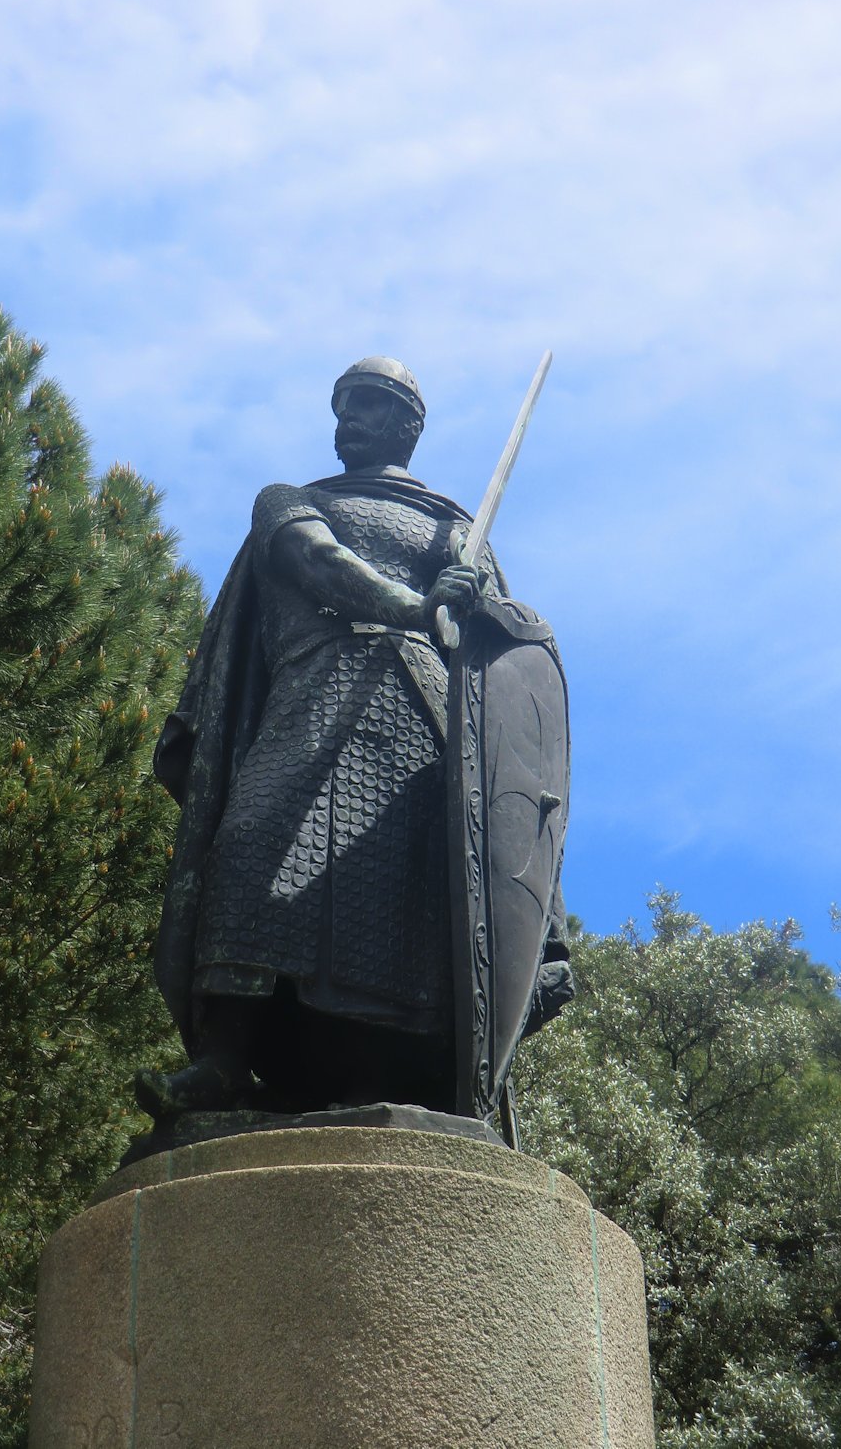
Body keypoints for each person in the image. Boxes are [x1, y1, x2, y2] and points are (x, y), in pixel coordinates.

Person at [139, 356, 569, 1123]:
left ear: (407, 424)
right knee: (251, 850)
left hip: (422, 724)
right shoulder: (290, 501)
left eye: (368, 405)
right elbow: (319, 562)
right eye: (342, 405)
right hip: (312, 698)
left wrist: (471, 602)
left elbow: (500, 658)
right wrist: (416, 604)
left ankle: (399, 1073)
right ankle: (222, 1061)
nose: (348, 418)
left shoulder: (454, 530)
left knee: (407, 903)